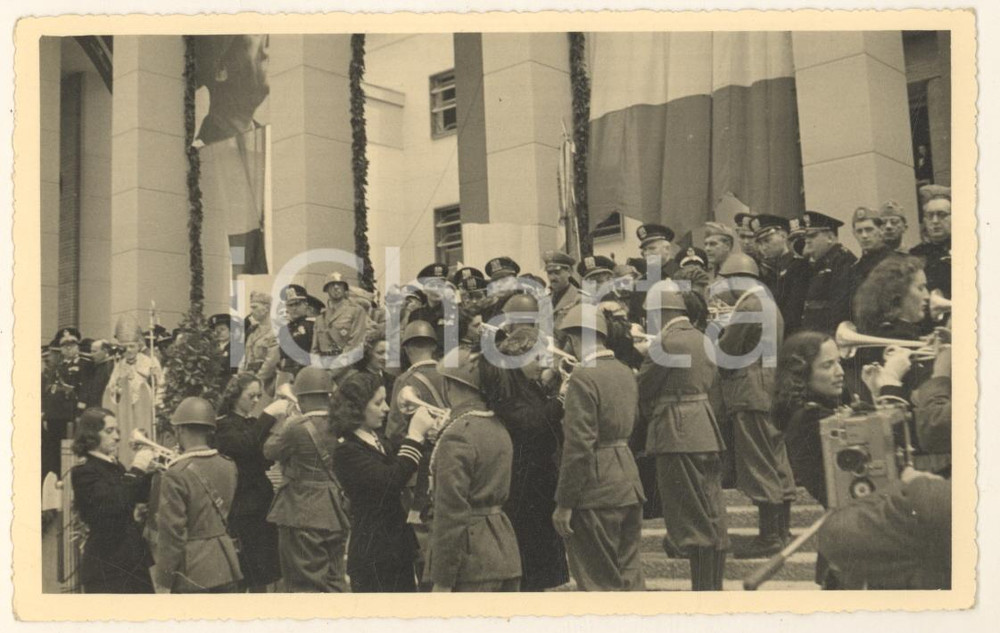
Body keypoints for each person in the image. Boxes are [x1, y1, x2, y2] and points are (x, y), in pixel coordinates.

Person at [637, 284, 728, 590]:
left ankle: (703, 595)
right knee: (711, 512)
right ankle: (711, 589)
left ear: (663, 314)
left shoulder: (666, 343)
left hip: (676, 432)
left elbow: (643, 386)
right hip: (704, 426)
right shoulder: (703, 338)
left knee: (689, 517)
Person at [553, 304, 646, 591]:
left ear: (575, 338)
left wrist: (564, 503)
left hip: (595, 489)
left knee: (599, 585)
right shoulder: (624, 371)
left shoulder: (583, 376)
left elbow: (579, 446)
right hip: (627, 480)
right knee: (629, 579)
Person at [714, 254, 796, 559]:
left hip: (749, 391)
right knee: (776, 459)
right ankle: (783, 531)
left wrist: (716, 336)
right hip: (770, 389)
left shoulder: (748, 305)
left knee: (758, 463)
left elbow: (727, 350)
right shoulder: (769, 301)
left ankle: (769, 537)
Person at [480, 328, 569, 592]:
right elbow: (532, 422)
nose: (542, 363)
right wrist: (561, 398)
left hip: (535, 478)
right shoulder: (507, 386)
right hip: (524, 481)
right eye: (536, 358)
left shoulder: (519, 382)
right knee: (530, 556)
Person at [429, 347, 522, 592]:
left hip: (470, 561)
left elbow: (451, 512)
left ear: (449, 386)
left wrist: (442, 579)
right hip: (504, 551)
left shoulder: (458, 434)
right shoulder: (497, 427)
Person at [331, 371, 434, 592]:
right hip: (374, 555)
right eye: (378, 403)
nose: (387, 408)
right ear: (356, 408)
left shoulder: (376, 439)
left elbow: (404, 461)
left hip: (395, 548)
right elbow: (390, 481)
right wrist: (415, 435)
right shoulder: (347, 451)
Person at [771, 331, 851, 588]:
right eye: (828, 365)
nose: (839, 371)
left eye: (839, 362)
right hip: (850, 541)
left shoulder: (819, 412)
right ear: (802, 373)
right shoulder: (809, 418)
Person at [263, 367, 350, 592]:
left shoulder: (295, 427)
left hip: (301, 510)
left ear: (301, 397)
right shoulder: (341, 423)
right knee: (334, 580)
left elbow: (269, 451)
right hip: (334, 509)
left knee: (303, 585)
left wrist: (286, 420)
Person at [155, 397, 243, 593]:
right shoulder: (228, 465)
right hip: (226, 564)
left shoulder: (176, 473)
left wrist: (164, 580)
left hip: (192, 570)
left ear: (180, 430)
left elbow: (171, 533)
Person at [69, 407, 158, 593]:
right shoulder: (83, 471)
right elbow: (114, 503)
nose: (117, 437)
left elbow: (136, 496)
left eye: (117, 430)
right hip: (108, 566)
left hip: (131, 559)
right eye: (109, 431)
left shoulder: (114, 465)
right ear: (91, 435)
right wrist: (138, 468)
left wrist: (150, 473)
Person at [214, 373, 281, 592]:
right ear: (235, 396)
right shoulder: (223, 425)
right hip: (241, 502)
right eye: (250, 395)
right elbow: (244, 445)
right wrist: (269, 415)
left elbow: (267, 456)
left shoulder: (253, 423)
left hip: (261, 500)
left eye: (258, 396)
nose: (255, 401)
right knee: (246, 570)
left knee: (262, 572)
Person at [103, 315, 162, 466]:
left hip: (145, 411)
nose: (129, 350)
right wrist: (117, 389)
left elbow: (160, 386)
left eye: (132, 346)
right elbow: (111, 390)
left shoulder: (149, 362)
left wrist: (153, 379)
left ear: (138, 345)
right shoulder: (119, 365)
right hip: (125, 413)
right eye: (125, 347)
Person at [192, 35, 270, 146]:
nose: (266, 50)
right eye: (255, 33)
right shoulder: (206, 152)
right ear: (221, 69)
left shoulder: (269, 143)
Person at [799, 210, 858, 335]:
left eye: (812, 236)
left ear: (830, 238)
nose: (807, 241)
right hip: (815, 332)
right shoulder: (819, 262)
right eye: (806, 237)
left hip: (829, 334)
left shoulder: (842, 260)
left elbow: (840, 306)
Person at [752, 214, 811, 336]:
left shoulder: (799, 267)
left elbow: (793, 312)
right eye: (760, 243)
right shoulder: (769, 271)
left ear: (783, 235)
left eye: (767, 240)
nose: (763, 247)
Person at [42, 327, 88, 478]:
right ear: (61, 349)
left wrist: (79, 412)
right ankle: (55, 478)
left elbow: (86, 389)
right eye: (65, 346)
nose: (68, 348)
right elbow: (49, 392)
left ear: (77, 346)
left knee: (71, 449)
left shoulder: (84, 365)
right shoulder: (57, 367)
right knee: (53, 450)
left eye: (72, 345)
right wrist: (46, 415)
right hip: (55, 416)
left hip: (71, 414)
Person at [313, 272, 370, 380]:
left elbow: (355, 346)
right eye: (332, 285)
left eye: (340, 285)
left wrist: (333, 371)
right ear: (326, 289)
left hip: (347, 372)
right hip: (323, 372)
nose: (336, 287)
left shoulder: (356, 311)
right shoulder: (320, 317)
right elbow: (315, 349)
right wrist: (319, 371)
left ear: (345, 289)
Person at [848, 206, 894, 316]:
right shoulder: (855, 267)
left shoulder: (894, 262)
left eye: (869, 230)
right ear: (854, 234)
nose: (864, 236)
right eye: (859, 231)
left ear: (881, 230)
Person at [910, 184, 951, 298]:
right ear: (924, 221)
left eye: (942, 215)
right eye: (930, 215)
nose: (935, 221)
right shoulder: (915, 255)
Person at [241, 290, 280, 400]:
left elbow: (271, 362)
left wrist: (256, 382)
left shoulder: (275, 332)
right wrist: (242, 378)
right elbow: (246, 358)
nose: (251, 311)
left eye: (255, 307)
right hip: (250, 381)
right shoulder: (253, 331)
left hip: (266, 384)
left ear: (266, 308)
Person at [276, 284, 314, 383]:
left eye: (297, 304)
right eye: (290, 305)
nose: (294, 308)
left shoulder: (313, 325)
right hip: (286, 375)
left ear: (305, 304)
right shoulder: (284, 330)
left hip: (306, 374)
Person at [543, 250, 581, 330]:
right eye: (549, 273)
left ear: (569, 272)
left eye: (557, 272)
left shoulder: (580, 299)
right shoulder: (543, 301)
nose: (552, 278)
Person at [79, 339, 116, 410]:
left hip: (104, 407)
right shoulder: (95, 366)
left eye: (94, 351)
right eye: (91, 351)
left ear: (105, 351)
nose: (91, 354)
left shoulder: (110, 367)